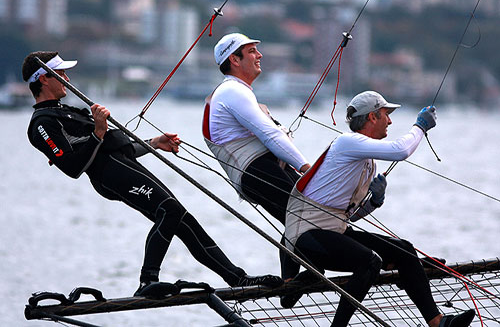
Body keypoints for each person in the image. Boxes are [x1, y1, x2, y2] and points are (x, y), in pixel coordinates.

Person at [22, 51, 283, 297]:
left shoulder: (64, 111)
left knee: (183, 219)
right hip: (109, 175)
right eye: (60, 74)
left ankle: (236, 277)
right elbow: (73, 167)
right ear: (44, 78)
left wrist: (154, 143)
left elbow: (116, 147)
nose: (67, 79)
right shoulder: (42, 124)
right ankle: (148, 280)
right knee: (168, 210)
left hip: (122, 166)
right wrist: (98, 131)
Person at [282, 91, 475, 327]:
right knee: (370, 261)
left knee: (404, 251)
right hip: (305, 237)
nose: (390, 121)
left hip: (331, 232)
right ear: (372, 117)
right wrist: (420, 127)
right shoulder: (346, 143)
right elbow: (400, 151)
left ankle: (437, 322)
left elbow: (348, 215)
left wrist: (374, 201)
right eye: (386, 114)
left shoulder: (366, 162)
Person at [203, 33, 311, 225]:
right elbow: (270, 134)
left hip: (263, 169)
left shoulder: (238, 91)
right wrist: (308, 169)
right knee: (310, 221)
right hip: (256, 171)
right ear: (234, 59)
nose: (260, 55)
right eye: (252, 51)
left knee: (317, 219)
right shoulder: (232, 90)